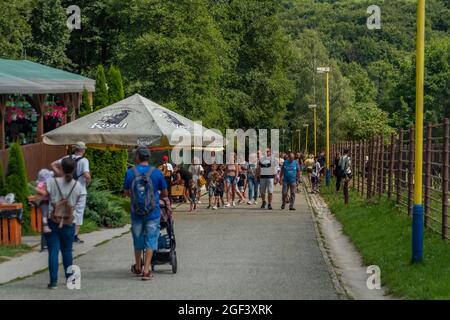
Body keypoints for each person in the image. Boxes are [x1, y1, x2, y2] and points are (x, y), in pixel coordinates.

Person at [36, 157, 86, 289]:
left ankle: (53, 283)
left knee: (53, 251)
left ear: (61, 168)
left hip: (53, 221)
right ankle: (70, 280)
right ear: (74, 169)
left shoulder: (51, 181)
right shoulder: (78, 185)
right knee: (67, 252)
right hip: (69, 222)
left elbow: (43, 195)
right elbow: (77, 202)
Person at [124, 147, 168, 281]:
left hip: (136, 212)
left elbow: (126, 192)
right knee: (151, 239)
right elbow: (165, 193)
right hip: (152, 213)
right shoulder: (156, 173)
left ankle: (138, 266)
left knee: (137, 239)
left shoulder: (130, 172)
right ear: (148, 157)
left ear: (137, 157)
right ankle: (146, 270)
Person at [51, 142, 91, 244]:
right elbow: (86, 174)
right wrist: (88, 182)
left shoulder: (66, 158)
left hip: (66, 188)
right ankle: (74, 236)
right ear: (83, 150)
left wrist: (61, 174)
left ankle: (63, 233)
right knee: (78, 212)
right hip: (80, 189)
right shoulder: (84, 160)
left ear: (75, 149)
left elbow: (53, 164)